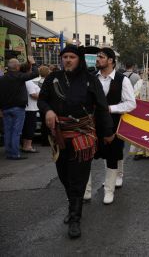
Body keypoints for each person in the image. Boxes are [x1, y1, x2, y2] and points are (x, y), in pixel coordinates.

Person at [38, 45, 114, 238]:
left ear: (79, 59)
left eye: (72, 57)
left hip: (83, 135)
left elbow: (102, 107)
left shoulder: (90, 80)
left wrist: (107, 132)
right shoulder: (52, 78)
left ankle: (75, 219)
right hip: (59, 137)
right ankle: (73, 205)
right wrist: (47, 110)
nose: (68, 60)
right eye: (65, 57)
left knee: (78, 179)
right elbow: (42, 100)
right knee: (64, 176)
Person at [84, 47, 136, 204]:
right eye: (97, 57)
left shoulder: (122, 80)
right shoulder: (91, 77)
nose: (97, 59)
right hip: (91, 124)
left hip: (113, 124)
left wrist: (110, 108)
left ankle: (109, 190)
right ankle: (85, 191)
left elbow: (130, 104)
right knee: (86, 156)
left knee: (113, 156)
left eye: (101, 56)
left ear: (111, 60)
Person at [0, 57, 38, 160]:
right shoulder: (20, 76)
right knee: (16, 132)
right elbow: (35, 73)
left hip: (5, 108)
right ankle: (14, 154)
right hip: (18, 108)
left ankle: (9, 152)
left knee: (8, 131)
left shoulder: (2, 78)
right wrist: (33, 63)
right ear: (17, 67)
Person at [21, 69, 41, 153]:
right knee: (30, 128)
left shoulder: (25, 80)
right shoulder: (28, 81)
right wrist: (43, 97)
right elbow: (33, 94)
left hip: (28, 107)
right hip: (30, 108)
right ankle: (28, 146)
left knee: (27, 128)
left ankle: (25, 145)